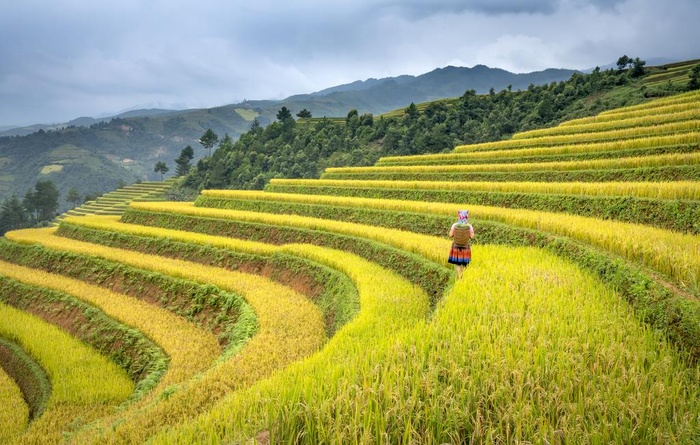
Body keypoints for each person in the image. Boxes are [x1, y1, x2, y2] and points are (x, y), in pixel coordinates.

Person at [448, 209, 474, 279]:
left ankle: (460, 277)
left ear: (459, 216)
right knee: (465, 264)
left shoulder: (455, 225)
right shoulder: (469, 226)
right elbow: (472, 237)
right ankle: (465, 277)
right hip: (465, 247)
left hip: (456, 246)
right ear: (466, 216)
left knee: (458, 264)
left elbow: (450, 235)